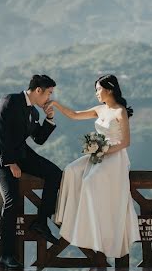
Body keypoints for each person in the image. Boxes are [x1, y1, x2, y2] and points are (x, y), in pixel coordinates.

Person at [51, 74, 141, 260]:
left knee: (90, 181)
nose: (97, 93)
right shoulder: (100, 109)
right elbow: (75, 115)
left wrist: (104, 150)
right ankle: (69, 217)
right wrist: (56, 104)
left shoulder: (120, 111)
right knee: (71, 170)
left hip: (115, 156)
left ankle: (94, 228)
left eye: (98, 89)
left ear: (109, 89)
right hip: (99, 153)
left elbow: (125, 142)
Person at [0, 74, 63, 270]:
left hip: (21, 154)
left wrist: (50, 118)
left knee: (54, 173)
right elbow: (0, 133)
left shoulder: (34, 113)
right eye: (49, 93)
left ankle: (41, 221)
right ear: (38, 90)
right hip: (0, 158)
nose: (50, 98)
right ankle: (6, 255)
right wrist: (10, 163)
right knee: (12, 201)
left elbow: (39, 139)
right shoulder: (9, 101)